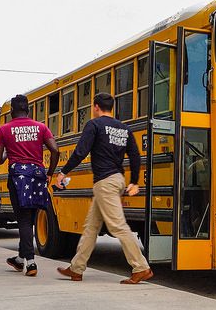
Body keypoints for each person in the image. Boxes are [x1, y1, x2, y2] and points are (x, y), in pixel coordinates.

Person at [56, 92, 152, 284]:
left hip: (105, 182)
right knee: (91, 227)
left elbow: (81, 151)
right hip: (116, 180)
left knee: (118, 226)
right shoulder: (124, 128)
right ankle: (76, 268)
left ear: (96, 106)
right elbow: (135, 155)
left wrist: (63, 172)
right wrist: (134, 181)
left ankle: (141, 267)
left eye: (93, 107)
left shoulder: (94, 125)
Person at [0, 94, 59, 277]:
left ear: (12, 110)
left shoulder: (4, 130)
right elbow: (55, 150)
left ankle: (30, 262)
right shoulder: (41, 127)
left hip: (18, 178)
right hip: (37, 176)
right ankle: (21, 258)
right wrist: (50, 173)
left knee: (23, 220)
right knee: (29, 219)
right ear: (28, 109)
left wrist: (6, 151)